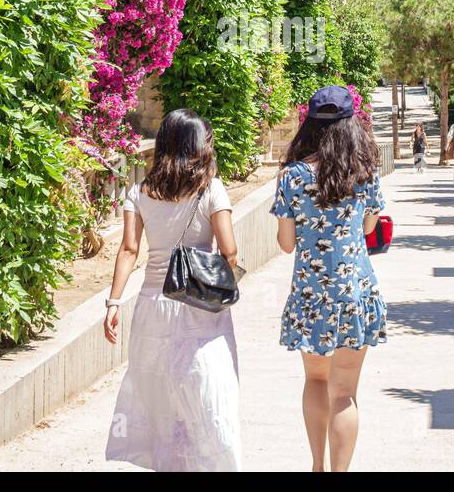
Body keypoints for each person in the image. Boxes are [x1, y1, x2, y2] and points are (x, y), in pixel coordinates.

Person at [103, 108, 241, 472]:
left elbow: (129, 250)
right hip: (199, 304)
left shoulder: (139, 191)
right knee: (207, 397)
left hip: (153, 304)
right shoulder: (211, 188)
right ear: (198, 147)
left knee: (162, 400)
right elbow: (229, 251)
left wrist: (113, 302)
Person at [273, 84, 387, 472]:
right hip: (356, 293)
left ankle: (317, 467)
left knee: (316, 382)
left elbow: (286, 245)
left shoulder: (292, 177)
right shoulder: (365, 173)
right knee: (345, 393)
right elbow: (370, 229)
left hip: (310, 293)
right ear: (350, 125)